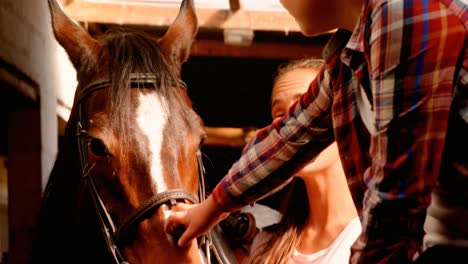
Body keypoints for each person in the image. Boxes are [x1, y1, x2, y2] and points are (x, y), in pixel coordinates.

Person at [165, 0, 468, 263]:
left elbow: (396, 203)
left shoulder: (406, 13)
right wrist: (210, 208)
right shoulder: (348, 59)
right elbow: (291, 135)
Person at [247, 58, 361, 264]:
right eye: (279, 115)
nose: (292, 126)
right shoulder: (266, 245)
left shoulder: (374, 237)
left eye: (304, 109)